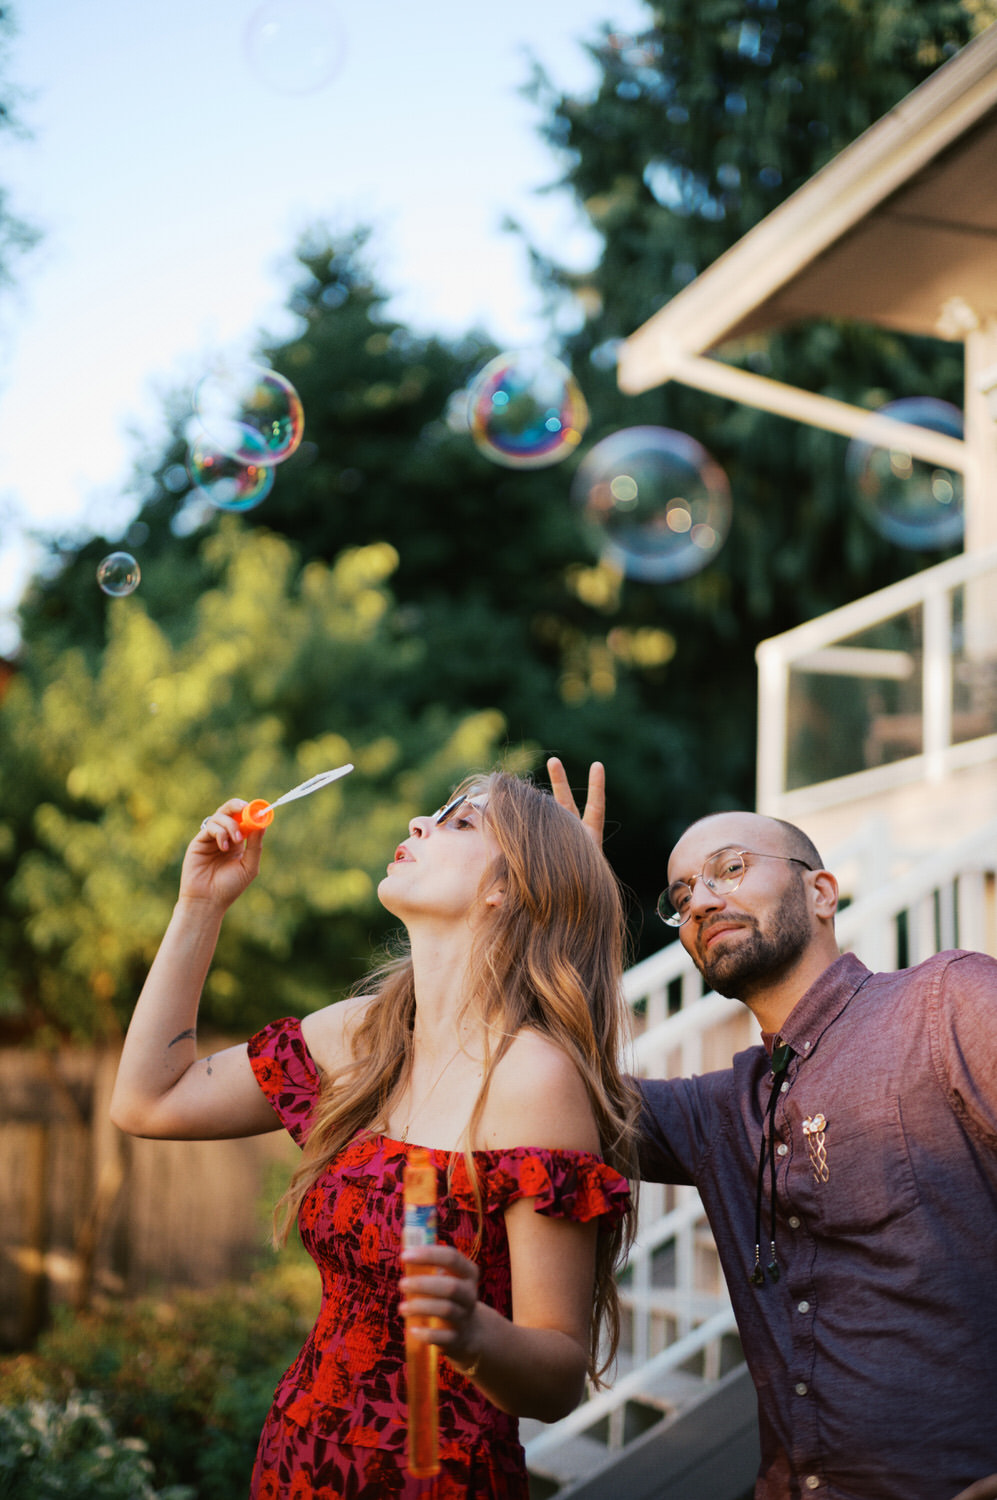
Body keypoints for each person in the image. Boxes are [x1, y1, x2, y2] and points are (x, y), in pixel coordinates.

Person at [110, 769, 639, 1499]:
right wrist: (201, 903)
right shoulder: (358, 1037)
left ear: (507, 888)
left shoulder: (532, 1080)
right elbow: (147, 1102)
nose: (420, 819)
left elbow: (554, 1380)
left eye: (458, 822)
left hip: (431, 1477)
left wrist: (472, 1330)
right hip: (296, 1459)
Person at [548, 759, 997, 1500]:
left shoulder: (945, 1005)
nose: (700, 900)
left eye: (729, 867)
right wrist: (568, 913)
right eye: (681, 894)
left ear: (820, 891)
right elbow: (547, 1095)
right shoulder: (718, 1111)